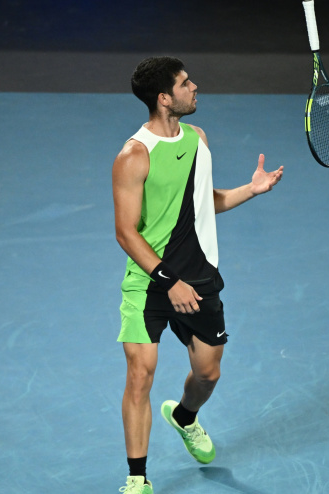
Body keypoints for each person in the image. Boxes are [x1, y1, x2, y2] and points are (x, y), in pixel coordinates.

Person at [112, 56, 283, 494]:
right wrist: (170, 280)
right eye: (185, 84)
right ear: (164, 98)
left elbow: (204, 203)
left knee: (207, 374)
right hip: (152, 281)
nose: (195, 87)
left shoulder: (197, 139)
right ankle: (137, 479)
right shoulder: (134, 156)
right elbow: (126, 233)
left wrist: (251, 189)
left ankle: (184, 417)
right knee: (140, 373)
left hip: (200, 277)